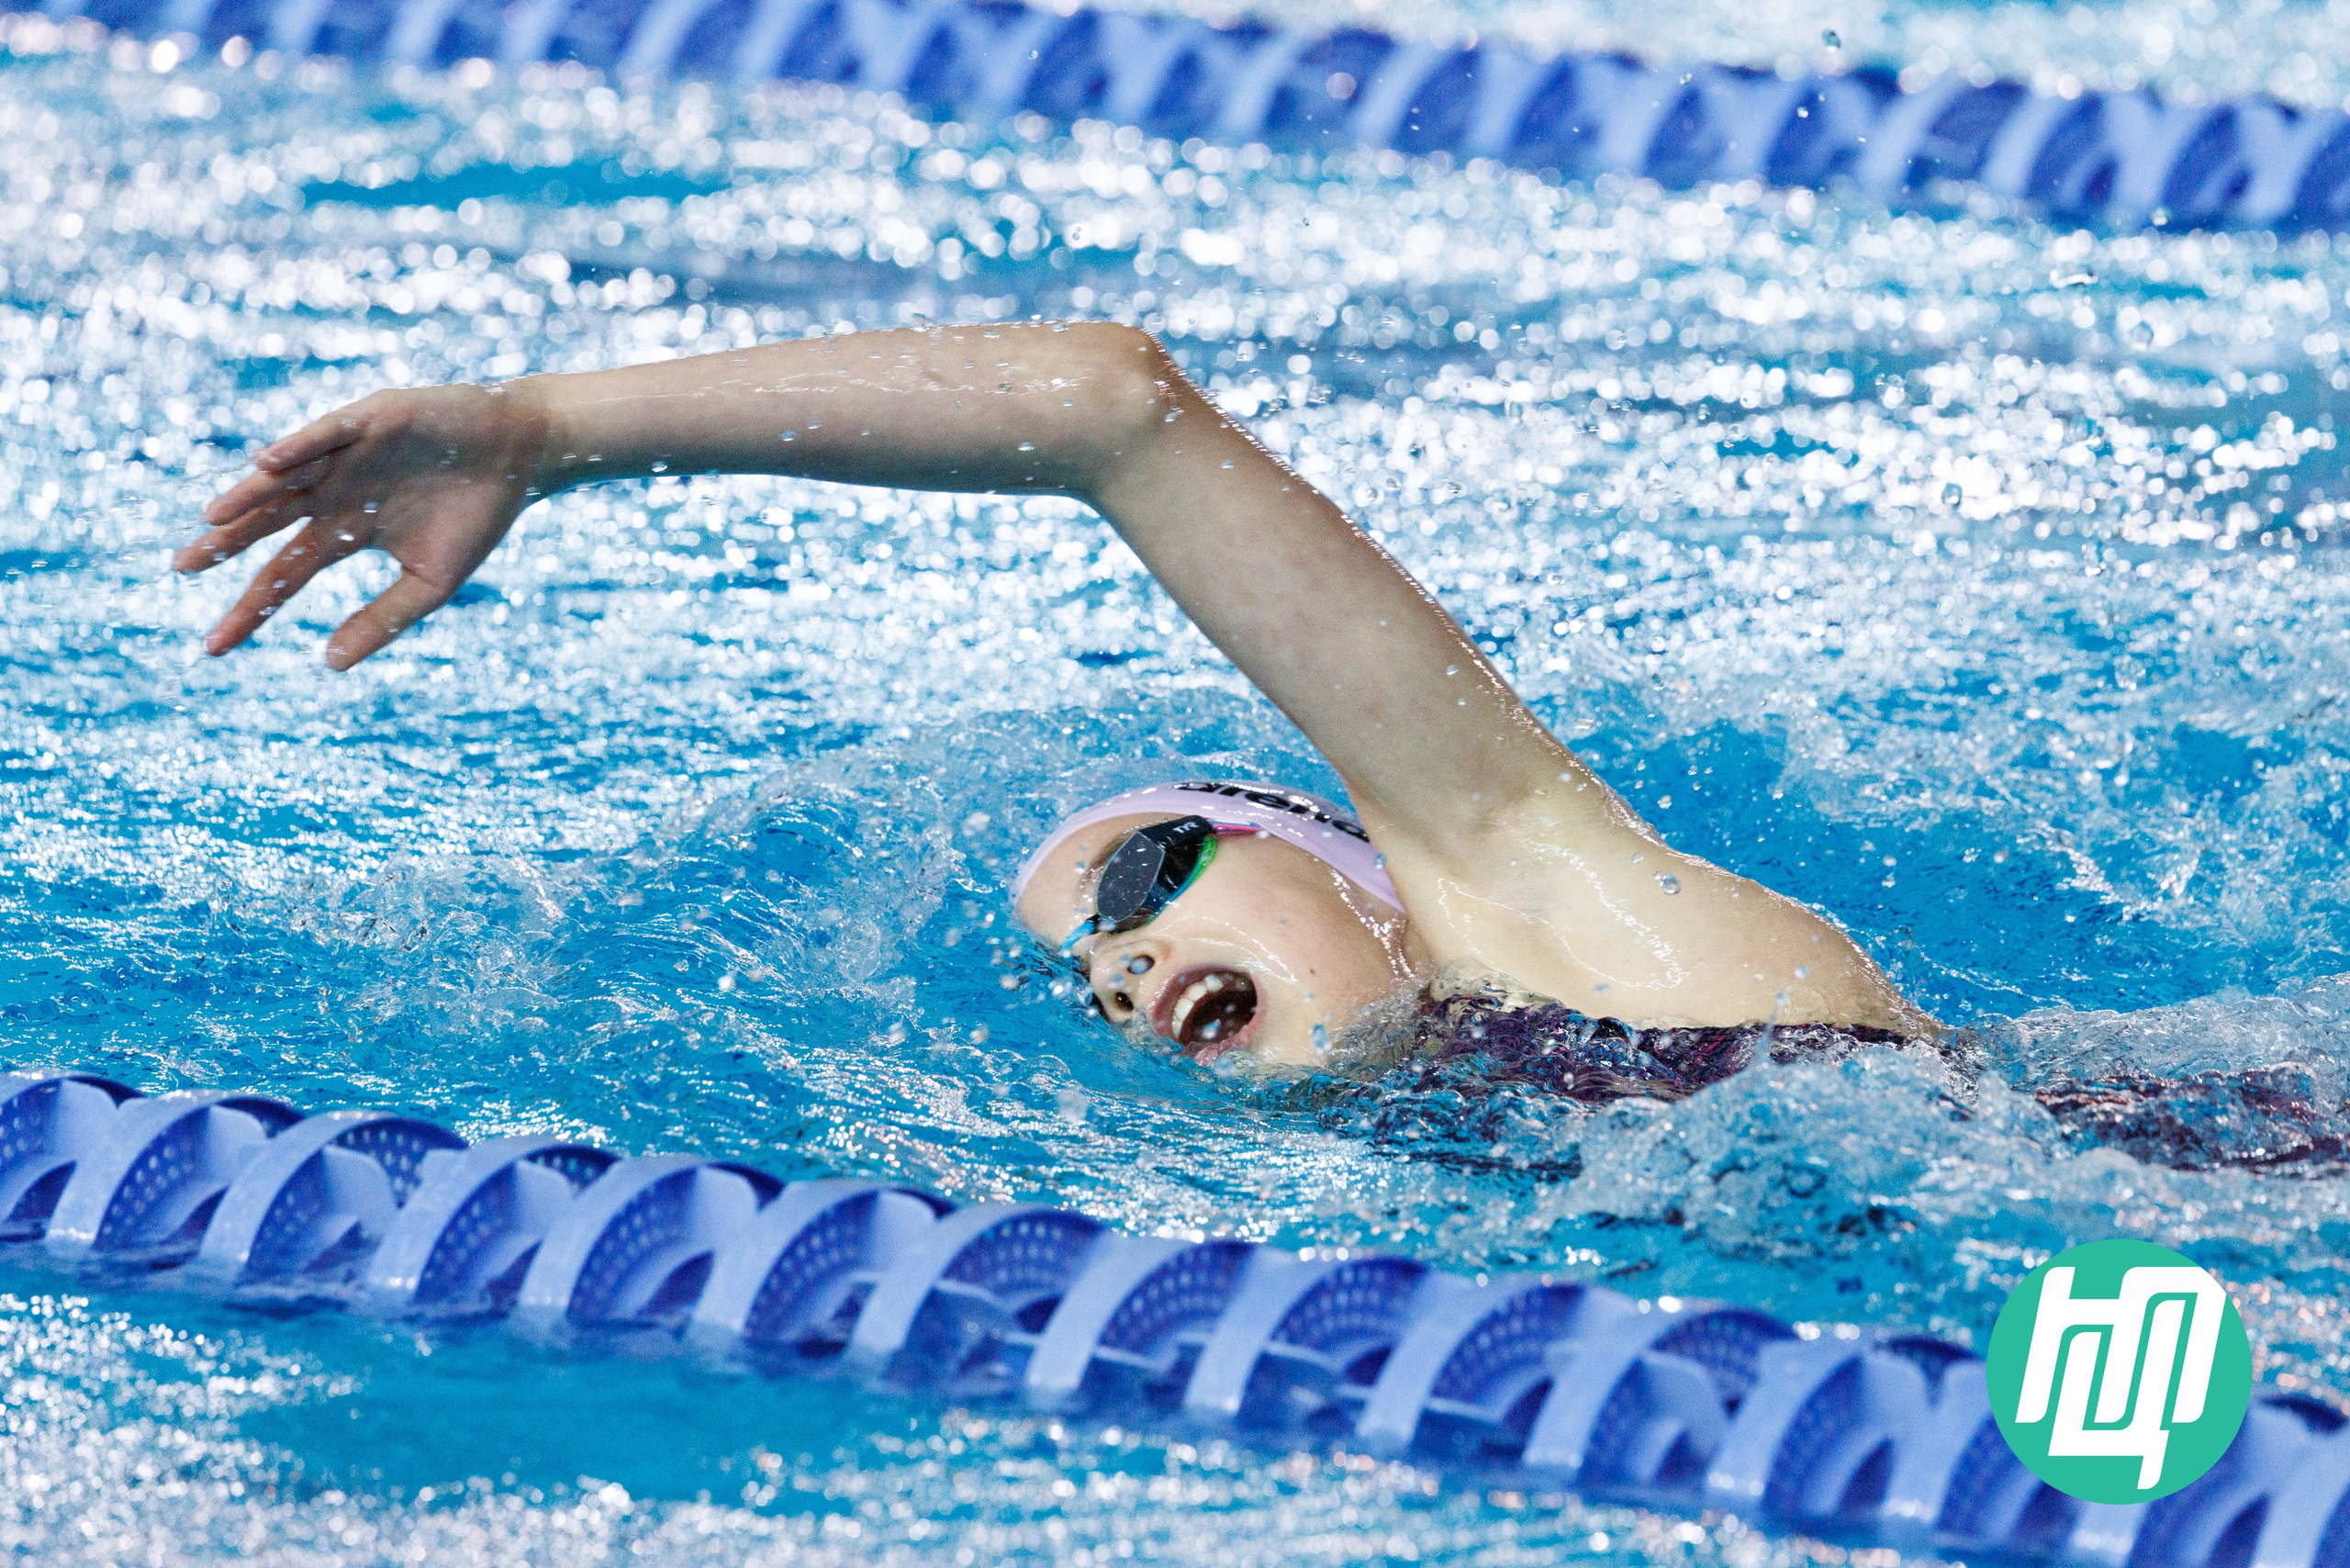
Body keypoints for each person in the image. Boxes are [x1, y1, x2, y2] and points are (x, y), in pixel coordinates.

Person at [178, 322, 1936, 1080]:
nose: (1111, 963)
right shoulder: (1440, 1164)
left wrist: (554, 433)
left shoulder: (1569, 916)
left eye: (1143, 880)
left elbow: (1109, 409)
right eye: (1083, 965)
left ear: (1359, 860)